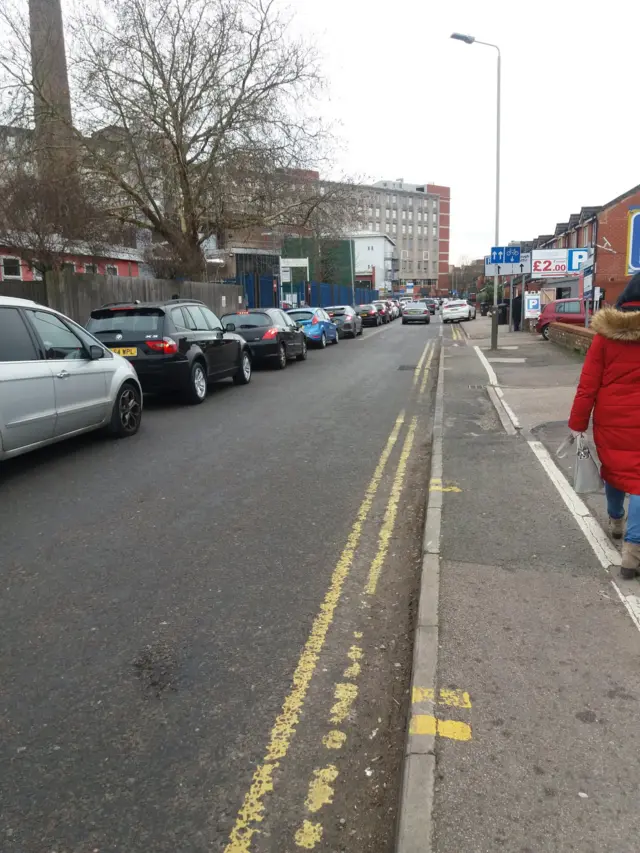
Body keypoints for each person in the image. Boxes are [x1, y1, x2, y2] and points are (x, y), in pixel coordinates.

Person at [569, 272, 640, 578]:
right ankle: (632, 553)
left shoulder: (604, 335)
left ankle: (615, 518)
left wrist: (577, 423)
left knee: (614, 469)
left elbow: (588, 385)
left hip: (611, 419)